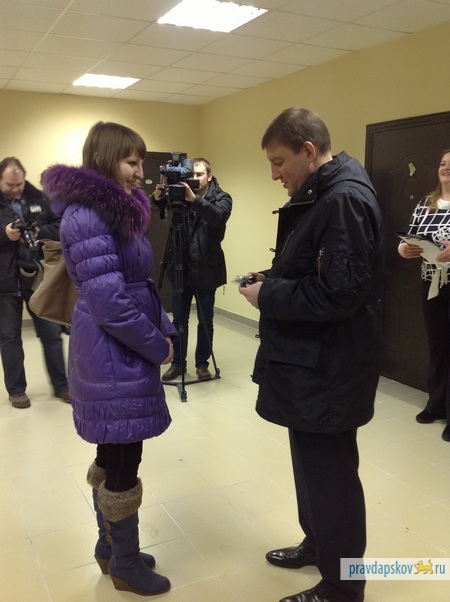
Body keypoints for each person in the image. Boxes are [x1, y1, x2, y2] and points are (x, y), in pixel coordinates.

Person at [239, 108, 383, 602]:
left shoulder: (342, 200)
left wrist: (269, 295)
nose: (274, 174)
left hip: (331, 368)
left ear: (308, 150)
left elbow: (340, 295)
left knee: (332, 479)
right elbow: (319, 271)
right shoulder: (323, 193)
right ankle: (318, 543)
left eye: (279, 162)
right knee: (311, 468)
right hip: (312, 364)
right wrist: (274, 278)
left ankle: (343, 586)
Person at [41, 122, 178, 596]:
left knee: (114, 450)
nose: (141, 172)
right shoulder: (88, 217)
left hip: (119, 348)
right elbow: (109, 303)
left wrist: (164, 327)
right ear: (104, 159)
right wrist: (156, 344)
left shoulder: (116, 209)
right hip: (111, 351)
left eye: (141, 162)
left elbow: (137, 286)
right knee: (122, 458)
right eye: (131, 162)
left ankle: (110, 546)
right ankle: (124, 564)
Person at [153, 158, 232, 382]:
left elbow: (219, 217)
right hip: (181, 268)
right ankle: (178, 363)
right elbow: (160, 207)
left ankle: (202, 364)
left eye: (199, 174)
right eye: (192, 175)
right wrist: (157, 197)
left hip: (207, 269)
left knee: (205, 321)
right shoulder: (180, 195)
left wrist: (194, 200)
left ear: (209, 176)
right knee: (179, 321)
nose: (195, 178)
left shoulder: (222, 197)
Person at [0, 157, 69, 409]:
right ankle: (17, 390)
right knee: (9, 337)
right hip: (5, 280)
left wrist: (42, 232)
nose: (15, 189)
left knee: (51, 334)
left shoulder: (39, 197)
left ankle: (62, 385)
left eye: (18, 184)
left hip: (38, 276)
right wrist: (4, 234)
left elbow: (58, 225)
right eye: (9, 185)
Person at [398, 148, 450, 443]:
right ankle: (436, 404)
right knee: (437, 345)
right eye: (443, 163)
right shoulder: (425, 203)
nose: (446, 168)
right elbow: (410, 237)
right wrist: (404, 249)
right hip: (431, 283)